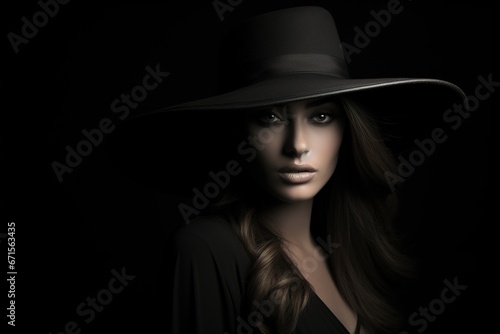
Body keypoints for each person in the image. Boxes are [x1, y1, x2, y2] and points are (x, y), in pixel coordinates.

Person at [141, 5, 467, 334]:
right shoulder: (205, 250)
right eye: (270, 117)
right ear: (238, 131)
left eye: (321, 117)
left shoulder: (342, 250)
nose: (297, 145)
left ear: (347, 131)